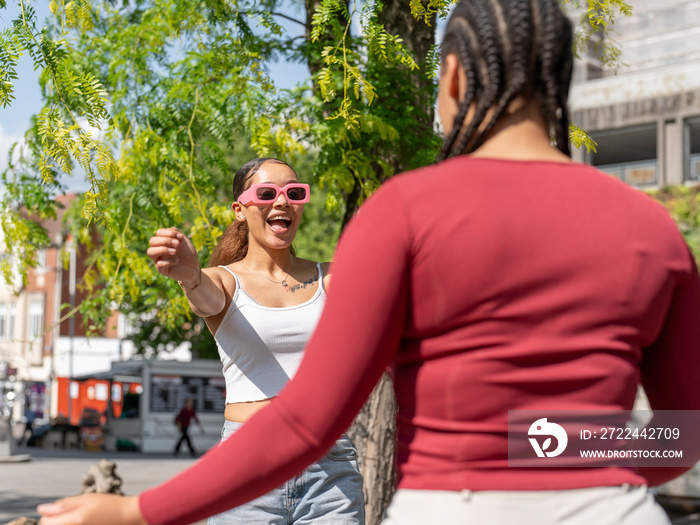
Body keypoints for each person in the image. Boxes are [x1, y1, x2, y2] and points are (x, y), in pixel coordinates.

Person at [37, 0, 700, 524]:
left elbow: (305, 421)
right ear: (560, 81)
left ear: (454, 77)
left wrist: (136, 509)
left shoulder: (405, 211)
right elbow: (681, 439)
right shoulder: (653, 226)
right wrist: (554, 453)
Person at [131, 157, 365, 524]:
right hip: (246, 464)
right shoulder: (222, 280)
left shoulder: (332, 277)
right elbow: (205, 298)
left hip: (328, 468)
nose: (282, 201)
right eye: (268, 192)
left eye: (294, 192)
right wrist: (189, 277)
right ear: (240, 209)